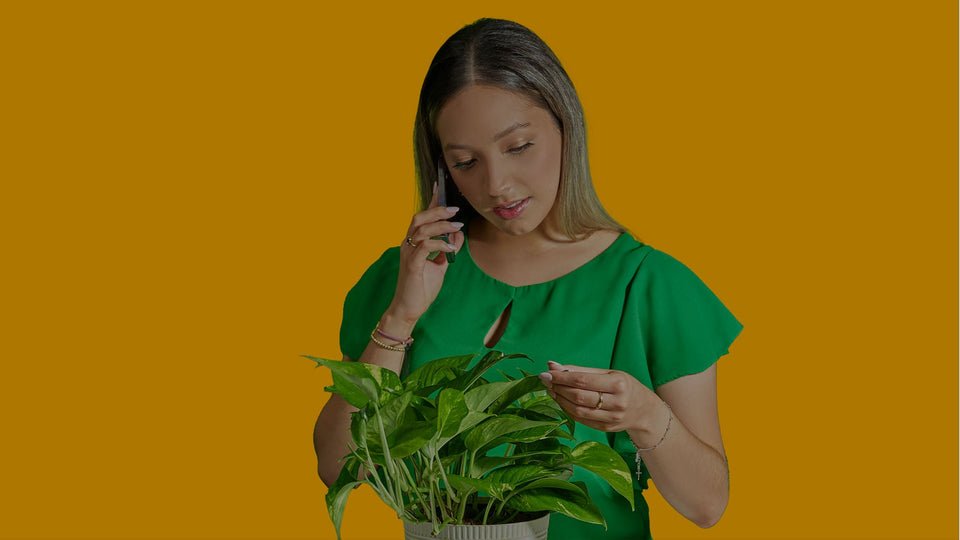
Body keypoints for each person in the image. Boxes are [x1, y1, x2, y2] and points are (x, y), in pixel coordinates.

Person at [314, 18, 743, 540]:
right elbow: (339, 467)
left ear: (566, 126)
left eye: (518, 147)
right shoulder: (405, 274)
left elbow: (707, 504)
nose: (496, 185)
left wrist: (647, 416)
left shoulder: (648, 284)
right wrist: (401, 314)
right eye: (466, 162)